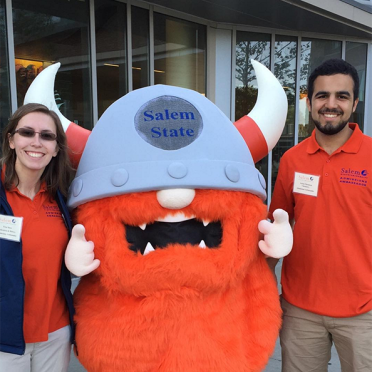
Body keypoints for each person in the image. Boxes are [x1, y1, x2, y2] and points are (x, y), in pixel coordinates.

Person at [268, 58, 372, 372]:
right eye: (322, 96)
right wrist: (259, 289)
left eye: (341, 96)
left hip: (363, 310)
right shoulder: (291, 159)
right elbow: (276, 230)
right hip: (300, 309)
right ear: (310, 102)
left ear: (354, 104)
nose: (331, 104)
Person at [0, 103, 75, 371]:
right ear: (11, 140)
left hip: (55, 332)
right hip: (5, 338)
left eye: (47, 136)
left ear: (56, 148)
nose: (36, 142)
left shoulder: (63, 196)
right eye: (27, 132)